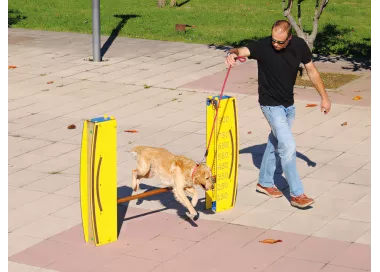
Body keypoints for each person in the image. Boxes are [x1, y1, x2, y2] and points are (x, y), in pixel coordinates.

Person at [225, 20, 331, 208]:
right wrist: (232, 54)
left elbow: (312, 71)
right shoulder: (263, 46)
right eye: (274, 40)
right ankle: (297, 194)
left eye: (280, 42)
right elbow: (241, 50)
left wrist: (324, 97)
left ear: (289, 37)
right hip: (270, 105)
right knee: (288, 147)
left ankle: (264, 182)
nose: (275, 44)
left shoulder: (299, 45)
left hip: (288, 106)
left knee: (275, 141)